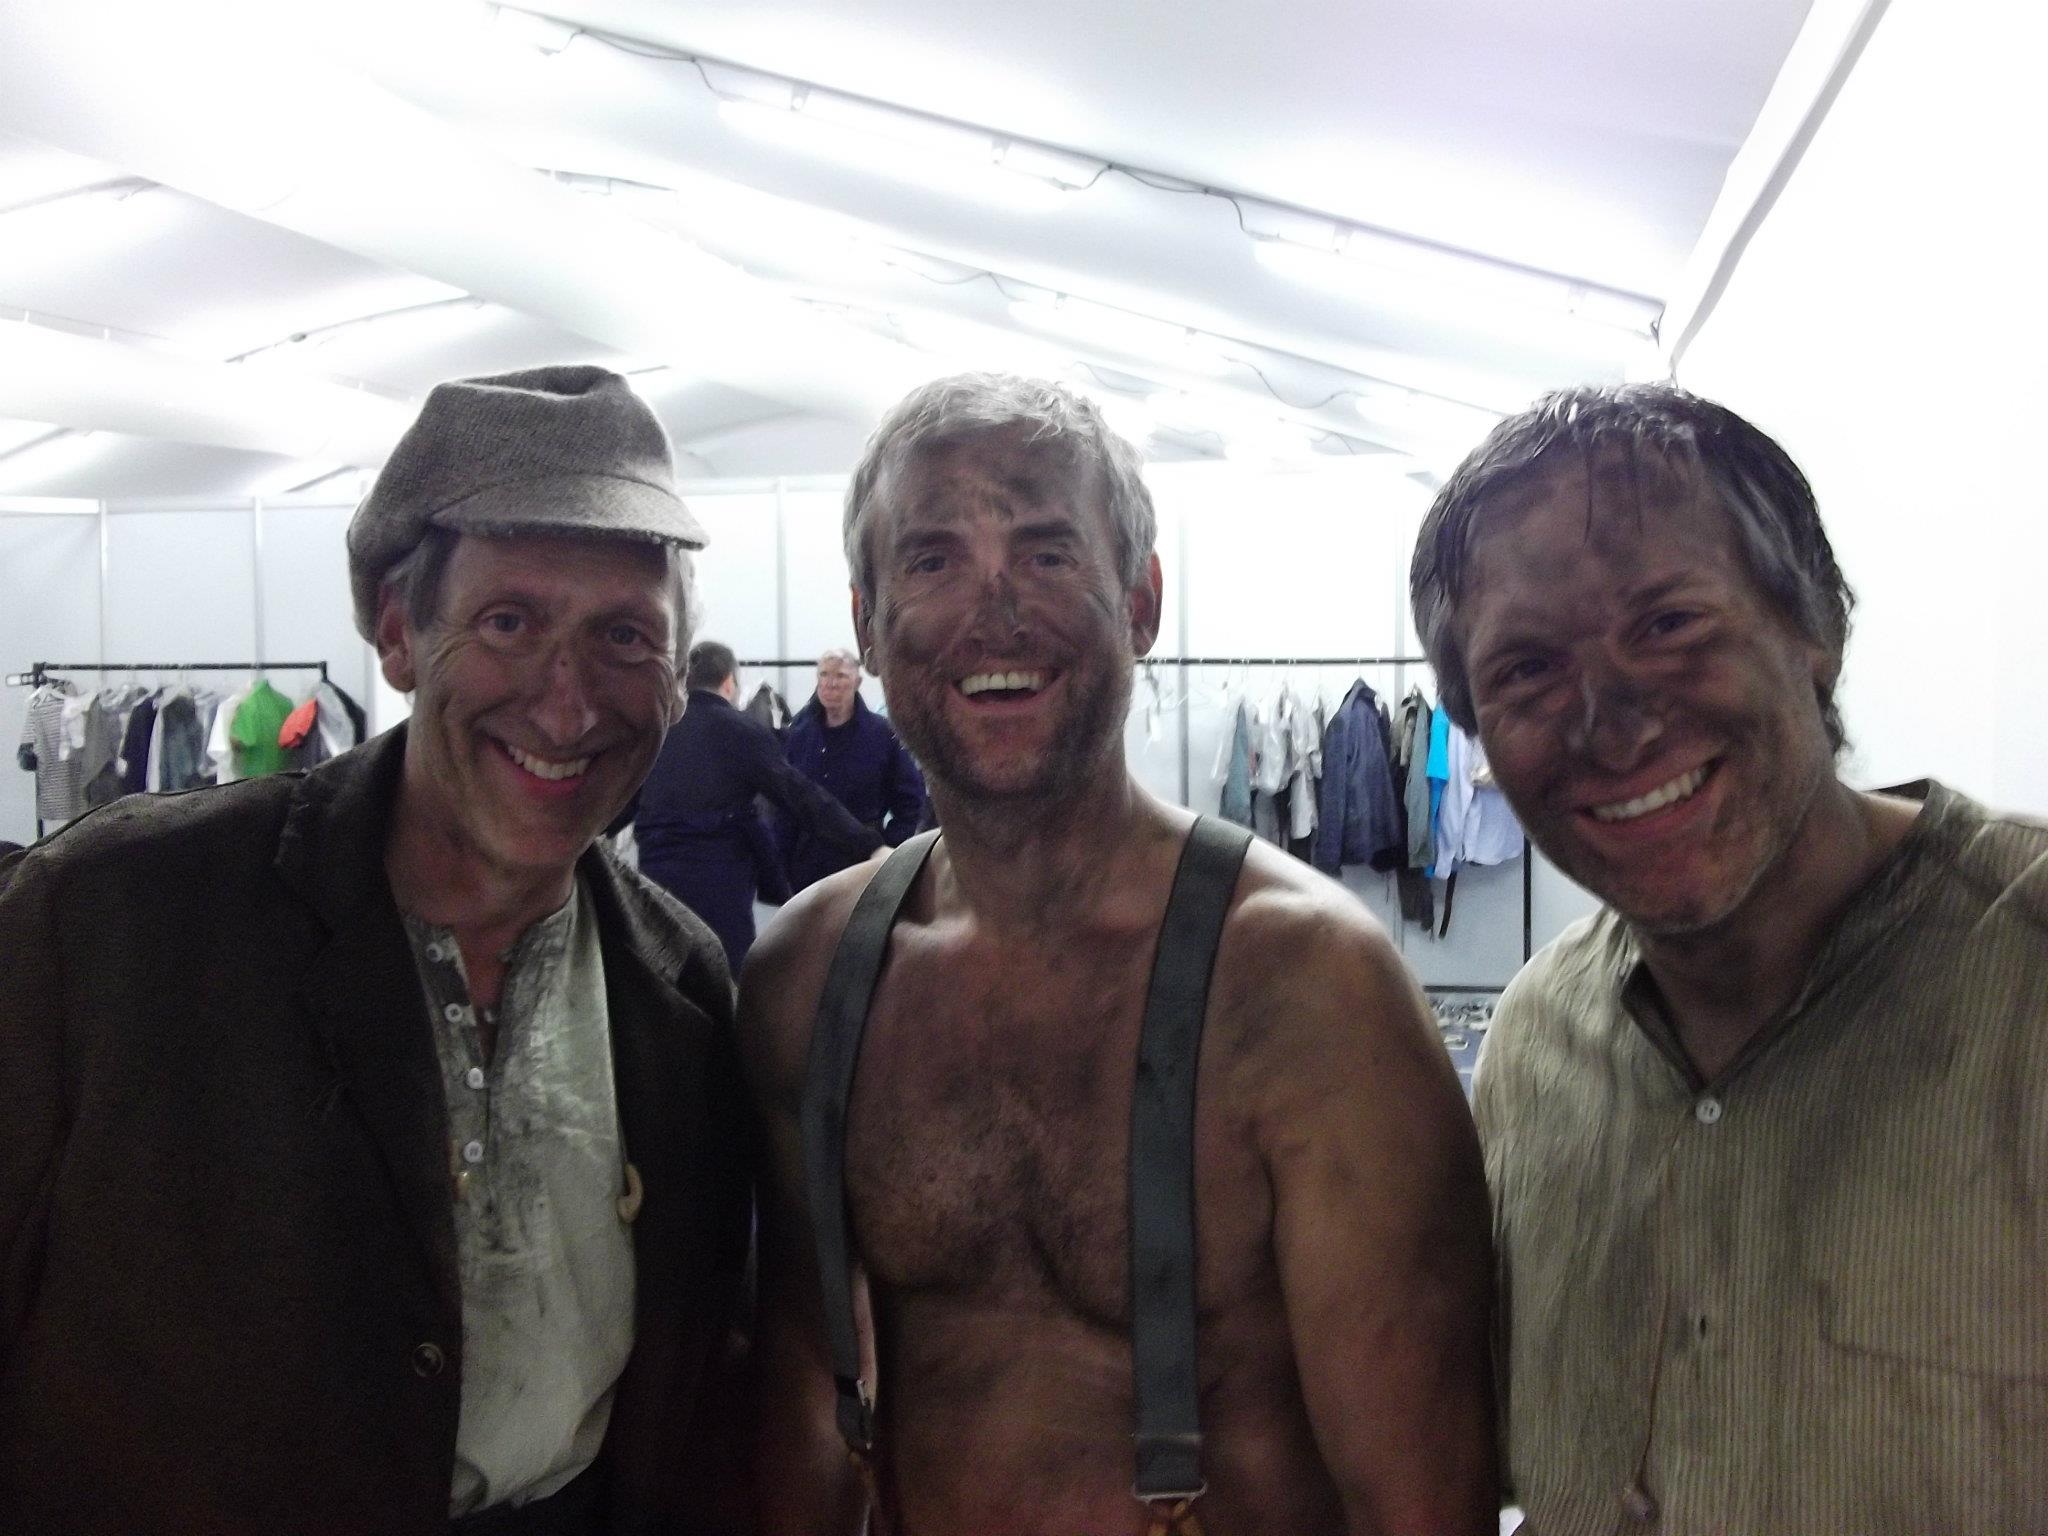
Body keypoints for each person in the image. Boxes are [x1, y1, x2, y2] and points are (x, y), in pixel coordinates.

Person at [0, 365, 752, 1535]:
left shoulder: (681, 985)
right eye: (509, 623)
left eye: (622, 638)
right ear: (398, 632)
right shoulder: (116, 922)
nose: (567, 704)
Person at [740, 374, 1497, 1535]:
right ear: (866, 623)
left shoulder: (1306, 992)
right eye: (935, 561)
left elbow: (1419, 1498)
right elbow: (804, 1396)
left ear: (1140, 600)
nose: (996, 615)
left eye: (1047, 555)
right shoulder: (808, 979)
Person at [1409, 383, 2048, 1533]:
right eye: (1526, 673)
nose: (1610, 725)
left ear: (1815, 630)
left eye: (1666, 623)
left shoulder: (2025, 978)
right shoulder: (1535, 1043)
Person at [632, 639, 881, 972]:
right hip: (719, 891)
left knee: (662, 979)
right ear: (729, 682)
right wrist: (869, 844)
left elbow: (619, 801)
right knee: (722, 985)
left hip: (653, 887)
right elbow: (800, 796)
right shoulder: (741, 731)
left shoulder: (656, 731)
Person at [774, 645, 927, 893]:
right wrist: (780, 864)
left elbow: (910, 801)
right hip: (806, 866)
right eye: (824, 674)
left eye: (840, 676)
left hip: (862, 863)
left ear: (857, 681)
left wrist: (888, 850)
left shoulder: (882, 735)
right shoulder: (798, 736)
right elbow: (784, 805)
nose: (830, 684)